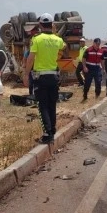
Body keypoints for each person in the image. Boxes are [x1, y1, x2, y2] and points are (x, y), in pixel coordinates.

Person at [23, 13, 65, 144]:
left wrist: (25, 74)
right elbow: (64, 49)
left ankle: (47, 134)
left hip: (40, 78)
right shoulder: (58, 40)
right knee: (52, 104)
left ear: (40, 25)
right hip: (53, 77)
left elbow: (30, 59)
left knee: (43, 106)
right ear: (52, 25)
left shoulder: (37, 39)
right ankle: (52, 129)